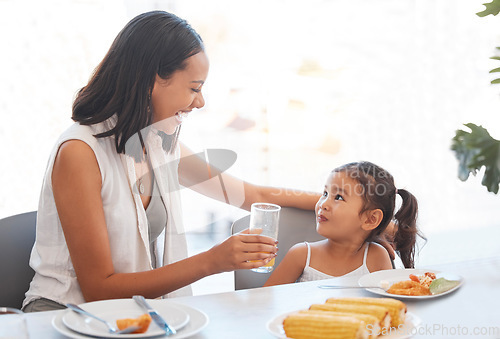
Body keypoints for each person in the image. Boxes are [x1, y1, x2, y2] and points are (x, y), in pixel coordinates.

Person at [22, 11, 319, 312]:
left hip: (128, 317)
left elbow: (254, 195)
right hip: (62, 316)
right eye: (194, 88)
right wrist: (212, 261)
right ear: (152, 79)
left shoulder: (157, 144)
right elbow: (99, 289)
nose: (200, 102)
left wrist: (344, 202)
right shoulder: (80, 152)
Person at [264, 161, 423, 287]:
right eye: (325, 193)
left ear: (370, 219)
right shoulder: (301, 255)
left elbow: (388, 305)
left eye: (338, 197)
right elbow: (264, 302)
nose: (323, 204)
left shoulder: (376, 258)